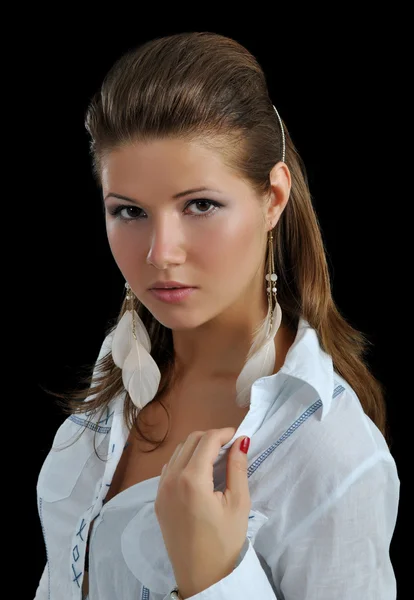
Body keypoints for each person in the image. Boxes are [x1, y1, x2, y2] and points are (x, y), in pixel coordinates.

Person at [34, 31, 399, 600]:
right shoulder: (115, 383)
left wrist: (214, 578)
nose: (160, 252)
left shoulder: (332, 457)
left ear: (272, 199)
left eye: (199, 205)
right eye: (129, 211)